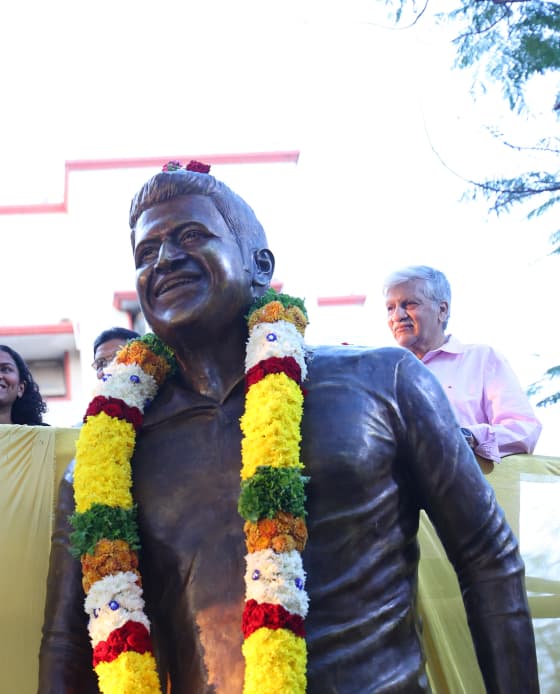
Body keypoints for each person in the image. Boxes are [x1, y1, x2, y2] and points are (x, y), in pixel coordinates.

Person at [39, 166, 537, 692]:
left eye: (190, 236)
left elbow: (489, 561)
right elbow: (69, 642)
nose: (165, 260)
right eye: (146, 253)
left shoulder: (382, 381)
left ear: (261, 266)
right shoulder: (106, 461)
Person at [384, 265, 542, 463]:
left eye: (409, 304)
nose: (397, 316)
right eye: (390, 308)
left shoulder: (482, 359)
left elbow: (525, 430)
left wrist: (467, 437)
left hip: (464, 491)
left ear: (442, 310)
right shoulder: (383, 371)